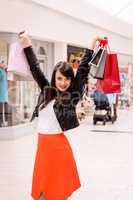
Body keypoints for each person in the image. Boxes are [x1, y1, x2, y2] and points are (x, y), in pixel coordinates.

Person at [19, 32, 100, 200]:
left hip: (58, 150)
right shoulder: (47, 90)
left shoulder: (72, 96)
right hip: (43, 151)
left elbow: (83, 69)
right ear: (54, 78)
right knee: (41, 194)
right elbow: (35, 68)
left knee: (57, 194)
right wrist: (27, 45)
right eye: (60, 78)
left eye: (67, 79)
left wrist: (92, 45)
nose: (64, 82)